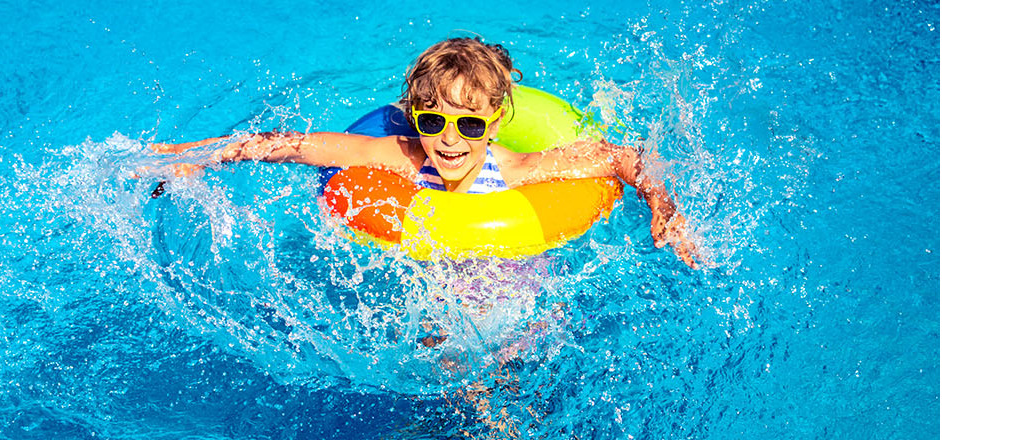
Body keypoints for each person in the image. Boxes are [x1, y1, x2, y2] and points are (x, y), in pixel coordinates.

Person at [149, 37, 703, 268]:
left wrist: (664, 209)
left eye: (468, 122)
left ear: (493, 120)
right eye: (433, 119)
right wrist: (201, 153)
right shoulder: (403, 156)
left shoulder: (514, 167)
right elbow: (293, 145)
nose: (449, 139)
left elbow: (629, 160)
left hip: (512, 274)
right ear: (416, 117)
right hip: (437, 285)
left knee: (498, 381)